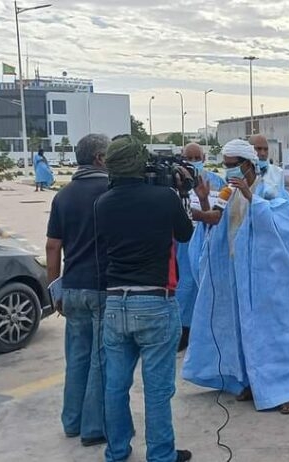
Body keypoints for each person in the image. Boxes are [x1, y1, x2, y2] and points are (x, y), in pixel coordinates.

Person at [182, 139, 289, 415]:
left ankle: (288, 388)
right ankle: (249, 381)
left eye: (232, 166)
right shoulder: (227, 192)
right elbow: (214, 218)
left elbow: (287, 222)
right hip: (238, 273)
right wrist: (201, 200)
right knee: (242, 330)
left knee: (274, 332)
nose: (228, 171)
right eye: (225, 165)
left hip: (269, 277)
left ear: (247, 164)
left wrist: (250, 198)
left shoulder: (270, 188)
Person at [94, 136, 195, 462]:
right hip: (155, 301)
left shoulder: (102, 203)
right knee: (157, 390)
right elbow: (185, 234)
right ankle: (161, 455)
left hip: (115, 303)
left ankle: (117, 451)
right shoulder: (164, 197)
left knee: (115, 386)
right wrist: (179, 193)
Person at [45, 134, 110, 447]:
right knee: (102, 358)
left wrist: (55, 288)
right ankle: (95, 427)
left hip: (72, 287)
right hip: (103, 288)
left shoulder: (64, 195)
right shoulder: (111, 191)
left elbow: (52, 245)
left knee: (77, 357)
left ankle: (72, 421)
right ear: (99, 158)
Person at [174, 142, 225, 350]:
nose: (194, 163)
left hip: (209, 239)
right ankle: (182, 329)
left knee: (206, 284)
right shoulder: (175, 183)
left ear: (204, 159)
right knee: (185, 284)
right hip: (185, 241)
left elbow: (221, 212)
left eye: (197, 158)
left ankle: (205, 329)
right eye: (189, 158)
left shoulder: (217, 182)